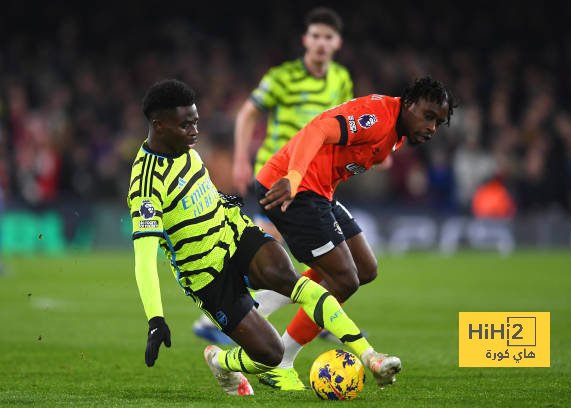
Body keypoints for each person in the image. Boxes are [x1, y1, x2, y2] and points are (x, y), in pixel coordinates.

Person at [128, 79, 401, 396]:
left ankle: (370, 356)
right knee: (270, 354)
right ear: (159, 126)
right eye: (185, 125)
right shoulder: (145, 186)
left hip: (236, 235)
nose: (194, 131)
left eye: (196, 122)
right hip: (206, 275)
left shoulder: (188, 152)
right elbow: (145, 258)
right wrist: (155, 320)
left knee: (297, 282)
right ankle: (221, 360)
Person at [252, 77, 457, 390]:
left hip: (320, 191)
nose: (432, 128)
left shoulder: (396, 132)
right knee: (344, 279)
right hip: (292, 188)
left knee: (364, 268)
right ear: (409, 103)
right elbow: (317, 130)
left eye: (439, 123)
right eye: (428, 116)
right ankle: (281, 361)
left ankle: (258, 306)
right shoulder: (377, 118)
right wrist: (293, 178)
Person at [193, 6, 354, 347]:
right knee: (290, 252)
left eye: (328, 37)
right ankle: (233, 315)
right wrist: (240, 159)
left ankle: (314, 316)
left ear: (337, 42)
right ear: (305, 40)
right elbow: (248, 113)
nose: (321, 43)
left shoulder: (340, 79)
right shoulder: (283, 76)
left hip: (315, 183)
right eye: (316, 36)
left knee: (302, 254)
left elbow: (342, 130)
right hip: (279, 177)